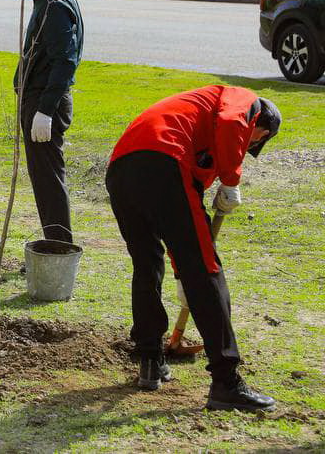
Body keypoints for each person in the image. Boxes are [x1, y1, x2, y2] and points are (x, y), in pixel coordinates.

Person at [105, 86, 280, 412]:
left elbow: (181, 217)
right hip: (163, 161)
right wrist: (231, 180)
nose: (248, 146)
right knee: (206, 268)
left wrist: (180, 274)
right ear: (263, 129)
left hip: (121, 170)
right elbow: (231, 122)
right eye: (254, 142)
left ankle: (150, 360)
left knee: (147, 264)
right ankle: (227, 382)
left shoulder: (196, 126)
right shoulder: (246, 101)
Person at [0, 0, 84, 244]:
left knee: (48, 181)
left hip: (46, 103)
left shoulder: (54, 4)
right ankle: (54, 243)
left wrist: (45, 110)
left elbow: (65, 60)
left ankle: (58, 249)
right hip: (40, 99)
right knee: (45, 179)